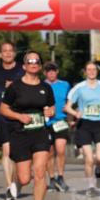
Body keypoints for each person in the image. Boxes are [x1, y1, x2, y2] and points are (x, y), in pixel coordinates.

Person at [0, 52, 54, 200]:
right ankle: (16, 183)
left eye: (37, 61)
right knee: (25, 177)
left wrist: (49, 112)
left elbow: (52, 108)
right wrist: (19, 117)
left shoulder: (46, 87)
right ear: (24, 66)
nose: (33, 63)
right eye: (30, 61)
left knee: (39, 172)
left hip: (40, 133)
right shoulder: (15, 87)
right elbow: (3, 109)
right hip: (20, 134)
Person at [65, 61, 100, 195]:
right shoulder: (78, 88)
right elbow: (67, 107)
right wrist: (75, 113)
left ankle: (98, 170)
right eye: (89, 70)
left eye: (94, 69)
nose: (91, 72)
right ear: (85, 72)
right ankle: (91, 187)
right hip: (84, 124)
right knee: (89, 159)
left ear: (97, 71)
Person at [0, 41, 24, 200]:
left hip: (20, 115)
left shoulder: (22, 69)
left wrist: (15, 86)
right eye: (4, 51)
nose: (8, 53)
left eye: (10, 51)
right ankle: (9, 186)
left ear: (14, 53)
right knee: (7, 150)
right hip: (1, 114)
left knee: (19, 153)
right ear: (0, 54)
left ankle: (17, 183)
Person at [43, 61, 71, 192]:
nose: (51, 73)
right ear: (45, 73)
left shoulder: (65, 85)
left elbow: (70, 101)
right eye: (48, 71)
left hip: (60, 121)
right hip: (45, 122)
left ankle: (61, 176)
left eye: (53, 70)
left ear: (57, 71)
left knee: (60, 150)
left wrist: (71, 116)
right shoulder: (41, 85)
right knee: (49, 153)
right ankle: (52, 179)